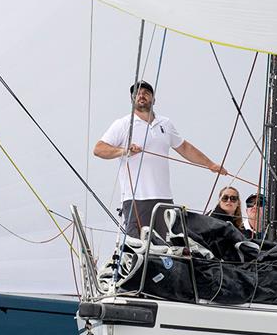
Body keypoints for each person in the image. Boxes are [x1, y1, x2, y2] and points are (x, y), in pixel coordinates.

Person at [94, 80, 227, 238]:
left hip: (163, 197)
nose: (141, 95)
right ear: (132, 99)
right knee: (138, 246)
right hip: (137, 198)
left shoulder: (165, 123)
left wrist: (210, 164)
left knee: (166, 246)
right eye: (137, 93)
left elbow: (184, 147)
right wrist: (124, 151)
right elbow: (99, 149)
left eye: (146, 93)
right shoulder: (123, 124)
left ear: (154, 99)